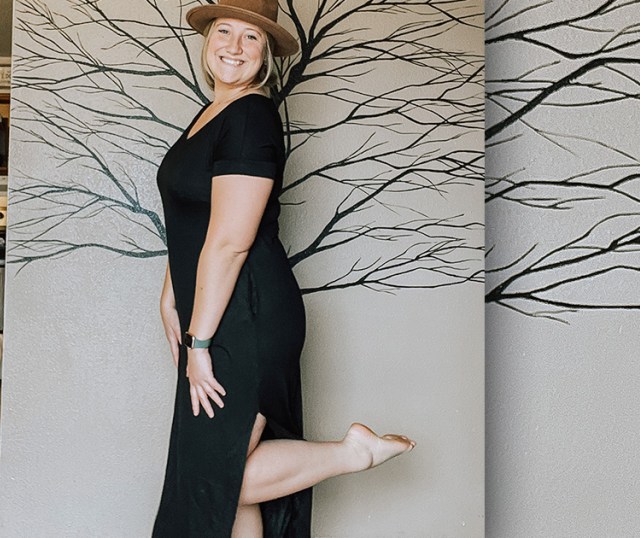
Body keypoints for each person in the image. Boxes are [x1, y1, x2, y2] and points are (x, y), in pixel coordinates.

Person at [152, 1, 414, 536]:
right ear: (206, 41)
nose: (233, 46)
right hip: (217, 306)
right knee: (226, 480)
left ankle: (351, 454)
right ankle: (350, 453)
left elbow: (230, 243)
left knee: (213, 480)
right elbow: (195, 218)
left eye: (251, 38)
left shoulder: (250, 117)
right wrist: (169, 293)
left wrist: (199, 343)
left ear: (266, 54)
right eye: (224, 31)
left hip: (243, 314)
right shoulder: (212, 113)